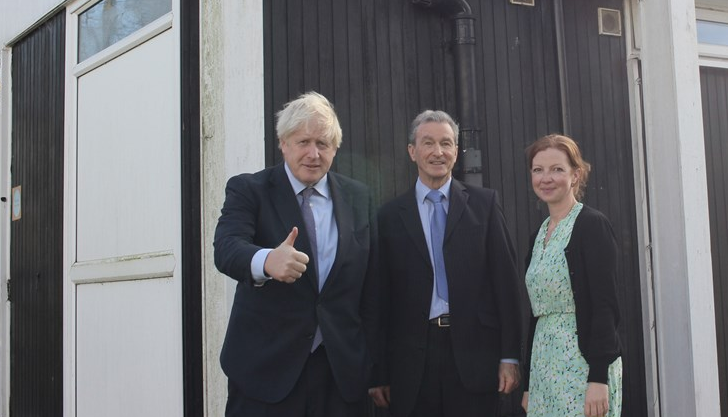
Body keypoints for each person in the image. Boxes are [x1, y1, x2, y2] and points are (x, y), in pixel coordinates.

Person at [213, 92, 373, 417]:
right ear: (283, 143)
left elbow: (372, 284)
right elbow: (227, 248)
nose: (313, 154)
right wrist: (266, 261)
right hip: (266, 374)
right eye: (303, 142)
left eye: (323, 143)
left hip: (340, 376)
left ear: (335, 147)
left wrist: (375, 366)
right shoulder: (249, 190)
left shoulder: (359, 197)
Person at [368, 110, 523, 417]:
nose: (437, 152)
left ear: (456, 152)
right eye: (428, 143)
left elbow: (506, 286)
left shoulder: (485, 205)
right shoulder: (389, 217)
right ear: (413, 151)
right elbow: (379, 300)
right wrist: (379, 372)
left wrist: (510, 356)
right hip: (412, 363)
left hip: (476, 358)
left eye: (446, 143)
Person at [522, 134, 622, 417]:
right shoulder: (539, 234)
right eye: (538, 170)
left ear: (575, 174)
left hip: (583, 366)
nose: (546, 178)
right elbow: (535, 314)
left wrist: (598, 377)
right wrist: (530, 384)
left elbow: (606, 305)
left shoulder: (591, 225)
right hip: (544, 365)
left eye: (557, 169)